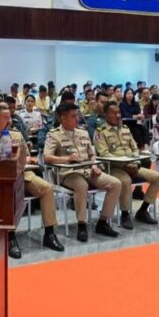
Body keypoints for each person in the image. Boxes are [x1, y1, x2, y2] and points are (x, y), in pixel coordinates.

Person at [0, 104, 65, 255]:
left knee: (47, 188)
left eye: (10, 117)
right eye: (5, 118)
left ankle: (49, 234)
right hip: (0, 178)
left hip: (22, 174)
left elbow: (28, 156)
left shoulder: (16, 134)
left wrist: (26, 159)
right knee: (10, 193)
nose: (9, 121)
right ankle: (10, 236)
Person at [44, 102, 122, 242]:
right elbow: (47, 158)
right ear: (63, 118)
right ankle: (82, 224)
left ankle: (103, 222)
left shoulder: (83, 132)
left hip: (88, 170)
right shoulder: (54, 135)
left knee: (115, 183)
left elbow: (91, 155)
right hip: (68, 174)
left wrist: (95, 166)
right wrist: (67, 159)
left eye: (77, 115)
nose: (77, 119)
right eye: (73, 116)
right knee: (82, 186)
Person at [95, 102, 159, 227]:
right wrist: (123, 164)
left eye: (119, 113)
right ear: (106, 115)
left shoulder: (125, 129)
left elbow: (134, 148)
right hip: (113, 167)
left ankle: (143, 211)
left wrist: (136, 163)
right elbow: (104, 154)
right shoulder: (101, 132)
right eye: (114, 113)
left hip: (132, 165)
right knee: (125, 181)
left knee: (158, 178)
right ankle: (125, 214)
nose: (117, 115)